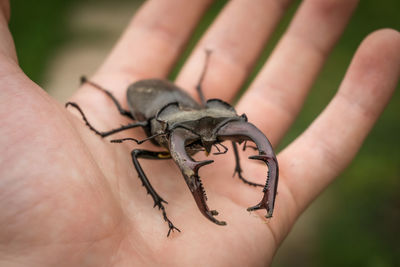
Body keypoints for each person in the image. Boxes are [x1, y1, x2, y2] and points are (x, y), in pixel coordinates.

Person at [0, 0, 399, 266]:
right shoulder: (151, 129)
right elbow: (137, 135)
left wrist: (243, 159)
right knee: (138, 154)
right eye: (199, 135)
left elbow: (219, 128)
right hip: (151, 104)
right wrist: (97, 126)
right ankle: (160, 204)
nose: (206, 142)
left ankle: (244, 173)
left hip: (181, 103)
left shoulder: (203, 120)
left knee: (221, 135)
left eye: (210, 133)